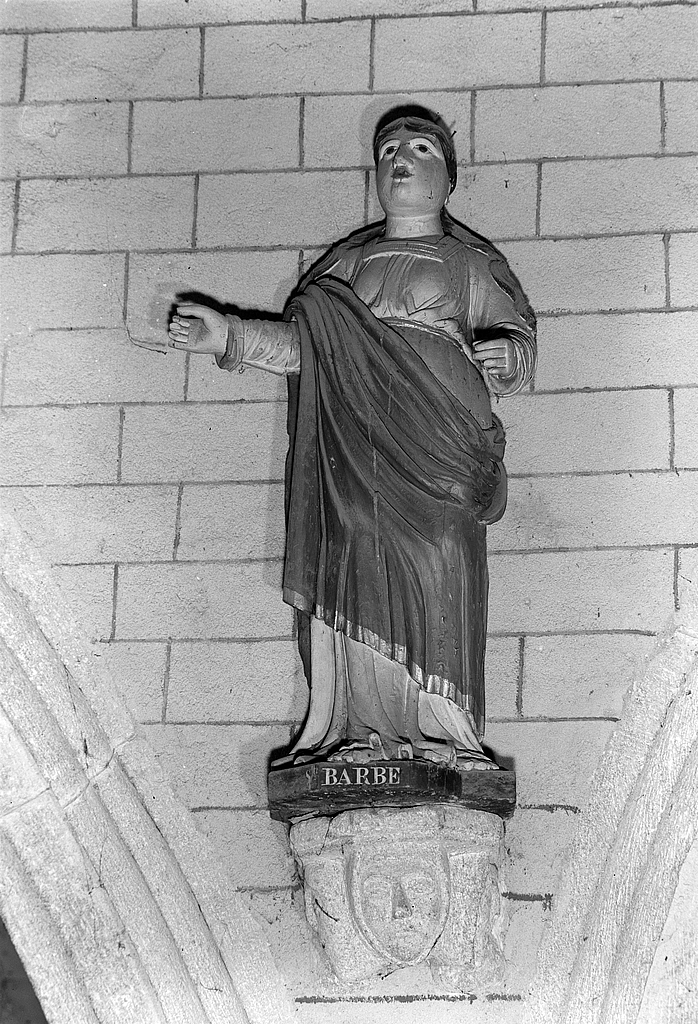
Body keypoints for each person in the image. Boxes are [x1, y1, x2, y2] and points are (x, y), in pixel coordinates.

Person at [167, 108, 536, 770]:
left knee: (440, 564)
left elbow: (515, 339)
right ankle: (354, 732)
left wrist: (507, 355)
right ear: (374, 173)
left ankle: (439, 728)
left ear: (448, 178)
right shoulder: (346, 267)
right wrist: (226, 335)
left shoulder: (469, 263)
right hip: (356, 455)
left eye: (422, 148)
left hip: (440, 455)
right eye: (389, 148)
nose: (402, 158)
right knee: (354, 562)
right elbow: (304, 348)